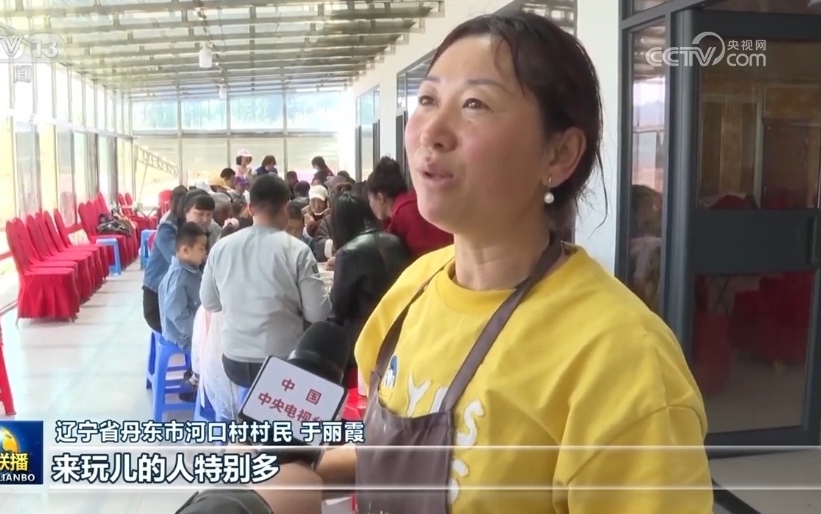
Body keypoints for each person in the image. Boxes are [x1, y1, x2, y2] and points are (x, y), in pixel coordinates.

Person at [235, 12, 713, 514]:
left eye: (474, 104)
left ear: (559, 154)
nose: (431, 132)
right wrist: (298, 480)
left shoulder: (624, 363)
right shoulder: (414, 288)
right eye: (427, 100)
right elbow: (397, 456)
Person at [201, 175, 331, 390]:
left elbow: (210, 303)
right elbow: (318, 314)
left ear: (250, 208)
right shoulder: (297, 250)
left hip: (234, 361)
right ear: (286, 208)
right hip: (283, 362)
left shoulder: (221, 247)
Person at [327, 192, 409, 383]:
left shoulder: (348, 252)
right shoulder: (394, 241)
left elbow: (339, 309)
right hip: (399, 329)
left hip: (363, 337)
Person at [158, 221, 208, 401]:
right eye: (201, 249)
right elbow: (175, 311)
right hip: (181, 334)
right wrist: (198, 332)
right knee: (213, 348)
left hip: (188, 328)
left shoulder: (190, 270)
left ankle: (197, 376)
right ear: (186, 250)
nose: (205, 253)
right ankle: (192, 385)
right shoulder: (180, 274)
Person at [366, 156, 453, 259]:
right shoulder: (408, 203)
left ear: (380, 198)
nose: (370, 204)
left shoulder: (405, 211)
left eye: (370, 199)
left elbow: (424, 255)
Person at [141, 185, 188, 332]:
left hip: (173, 293)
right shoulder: (167, 228)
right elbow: (178, 260)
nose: (205, 218)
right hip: (156, 297)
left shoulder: (185, 224)